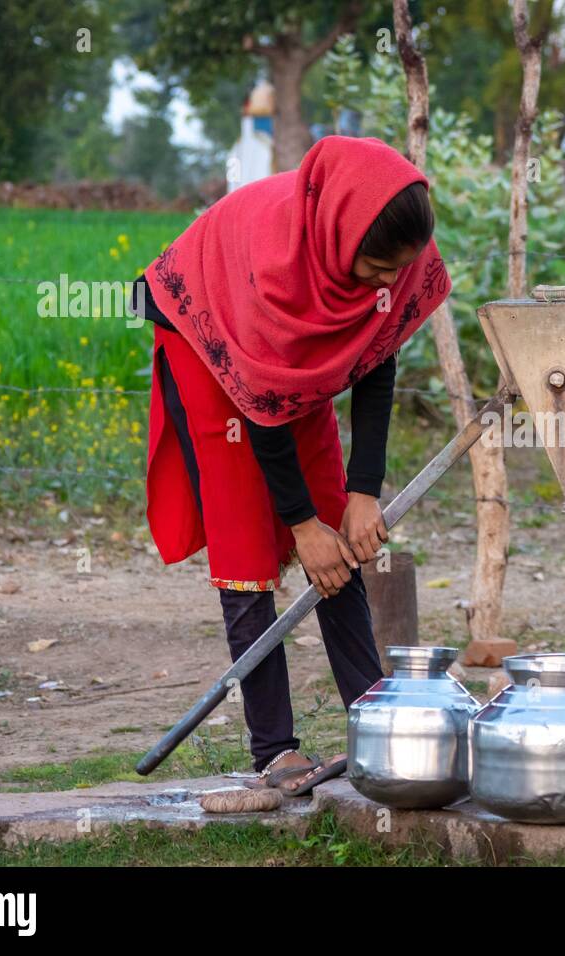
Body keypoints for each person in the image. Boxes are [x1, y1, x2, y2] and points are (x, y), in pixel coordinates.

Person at [132, 136, 451, 796]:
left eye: (399, 269)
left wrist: (361, 493)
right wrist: (303, 526)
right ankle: (274, 750)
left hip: (281, 346)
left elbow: (376, 357)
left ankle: (373, 722)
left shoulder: (394, 251)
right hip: (210, 331)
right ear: (340, 240)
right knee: (247, 528)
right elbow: (263, 414)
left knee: (342, 531)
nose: (389, 282)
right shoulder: (275, 271)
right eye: (378, 268)